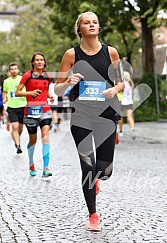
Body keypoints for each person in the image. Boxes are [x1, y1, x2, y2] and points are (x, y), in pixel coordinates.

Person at [55, 12, 124, 231]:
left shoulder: (111, 52)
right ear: (80, 29)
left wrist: (114, 89)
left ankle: (97, 178)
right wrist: (68, 81)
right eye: (87, 22)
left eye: (95, 22)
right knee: (87, 165)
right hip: (81, 114)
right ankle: (93, 215)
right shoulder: (71, 54)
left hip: (106, 115)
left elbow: (122, 82)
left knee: (104, 170)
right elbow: (56, 88)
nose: (92, 25)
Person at [15, 52, 54, 177]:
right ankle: (31, 163)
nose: (39, 62)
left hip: (45, 110)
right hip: (30, 111)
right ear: (33, 62)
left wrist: (50, 96)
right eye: (37, 60)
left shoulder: (47, 76)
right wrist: (29, 93)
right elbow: (17, 92)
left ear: (44, 62)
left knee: (45, 137)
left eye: (41, 60)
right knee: (33, 140)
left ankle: (46, 168)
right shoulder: (28, 75)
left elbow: (46, 89)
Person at [3, 62, 27, 153]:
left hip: (22, 106)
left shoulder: (22, 79)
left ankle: (17, 137)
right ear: (9, 71)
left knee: (20, 127)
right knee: (15, 126)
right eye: (12, 69)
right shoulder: (6, 81)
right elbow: (5, 91)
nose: (14, 71)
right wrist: (4, 98)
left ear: (18, 70)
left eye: (15, 69)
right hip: (12, 106)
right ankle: (18, 145)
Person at [118, 71, 136, 139]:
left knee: (120, 117)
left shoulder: (122, 84)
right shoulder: (131, 83)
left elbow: (119, 92)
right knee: (130, 117)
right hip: (129, 102)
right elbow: (133, 93)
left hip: (122, 102)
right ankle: (132, 128)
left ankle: (121, 131)